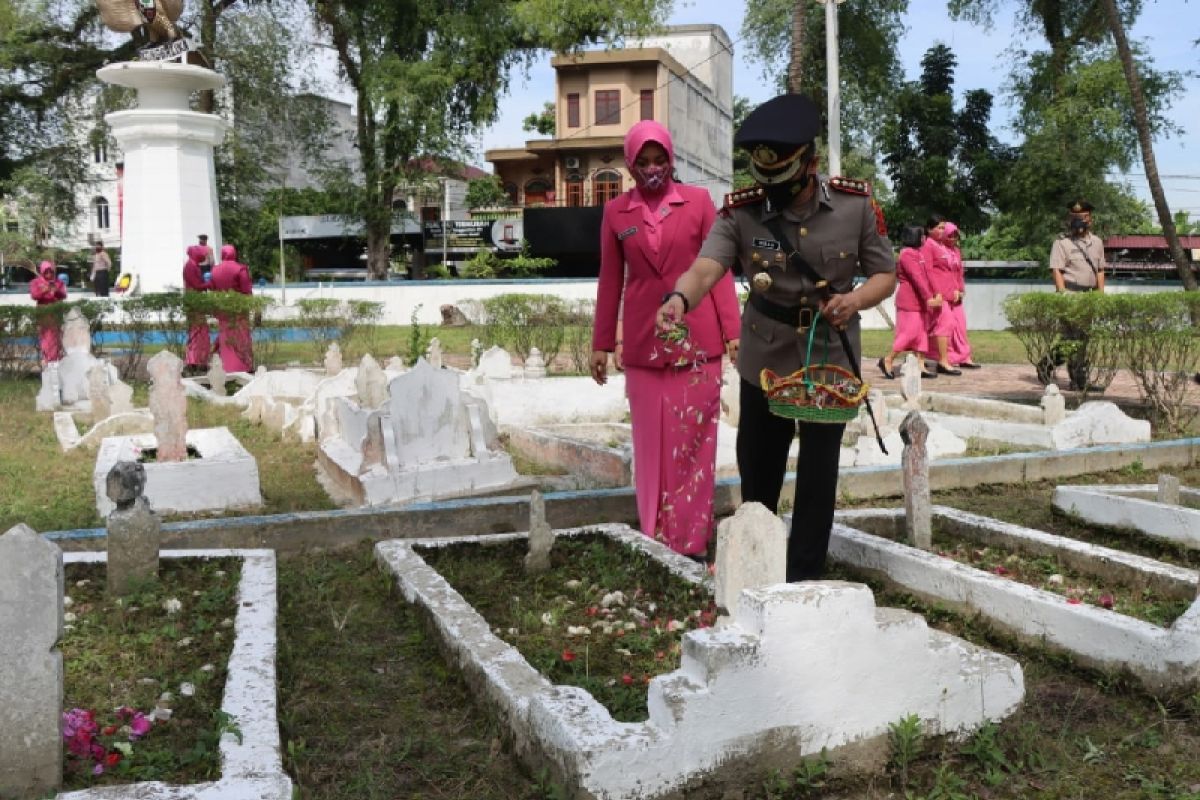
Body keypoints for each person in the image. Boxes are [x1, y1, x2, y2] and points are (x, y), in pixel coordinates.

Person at [655, 93, 896, 581]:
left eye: (782, 183)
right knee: (759, 470)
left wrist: (855, 301)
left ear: (808, 164)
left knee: (817, 474)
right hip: (764, 358)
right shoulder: (742, 212)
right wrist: (679, 299)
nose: (773, 196)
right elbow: (707, 267)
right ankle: (757, 570)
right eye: (765, 184)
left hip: (829, 359)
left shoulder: (855, 206)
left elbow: (885, 274)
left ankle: (805, 577)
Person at [591, 119, 741, 558]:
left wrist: (733, 331)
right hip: (641, 346)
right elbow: (609, 280)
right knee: (651, 446)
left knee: (693, 444)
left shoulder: (698, 203)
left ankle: (690, 540)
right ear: (631, 164)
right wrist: (602, 342)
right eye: (644, 162)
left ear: (671, 160)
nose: (653, 168)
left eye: (660, 160)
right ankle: (655, 537)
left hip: (699, 343)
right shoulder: (616, 212)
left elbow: (720, 268)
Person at [1045, 200, 1106, 389]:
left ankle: (1049, 365)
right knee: (1072, 338)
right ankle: (1077, 379)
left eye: (1083, 217)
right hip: (1070, 294)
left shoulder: (1097, 243)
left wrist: (1100, 295)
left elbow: (1100, 270)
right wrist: (1062, 294)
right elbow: (1056, 270)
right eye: (1075, 218)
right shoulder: (1062, 243)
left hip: (1089, 296)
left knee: (1082, 339)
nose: (1079, 221)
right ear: (1070, 219)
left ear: (1090, 219)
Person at [878, 224, 939, 379]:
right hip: (909, 301)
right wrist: (928, 297)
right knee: (908, 333)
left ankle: (920, 364)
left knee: (921, 334)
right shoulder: (907, 255)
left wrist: (935, 293)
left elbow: (927, 276)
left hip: (920, 301)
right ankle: (888, 360)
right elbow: (917, 278)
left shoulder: (918, 254)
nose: (924, 238)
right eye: (922, 236)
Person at [920, 215, 962, 376]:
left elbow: (951, 271)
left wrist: (956, 289)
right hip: (938, 295)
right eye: (938, 227)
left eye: (943, 227)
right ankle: (943, 361)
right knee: (945, 324)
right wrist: (936, 292)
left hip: (947, 294)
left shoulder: (941, 246)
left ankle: (922, 359)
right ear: (929, 229)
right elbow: (928, 271)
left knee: (937, 326)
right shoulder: (928, 245)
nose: (942, 231)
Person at [209, 243, 254, 372]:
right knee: (240, 337)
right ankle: (242, 367)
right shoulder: (240, 269)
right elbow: (247, 291)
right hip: (239, 310)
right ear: (234, 253)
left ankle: (227, 367)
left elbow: (213, 291)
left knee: (225, 337)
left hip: (222, 310)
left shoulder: (214, 271)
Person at [942, 222, 981, 369]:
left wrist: (961, 289)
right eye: (949, 235)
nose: (952, 239)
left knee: (960, 325)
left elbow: (959, 273)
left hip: (957, 295)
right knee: (947, 326)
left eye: (955, 236)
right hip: (944, 294)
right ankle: (948, 357)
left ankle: (965, 357)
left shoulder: (956, 251)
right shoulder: (939, 250)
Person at [29, 260, 67, 364]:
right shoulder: (36, 282)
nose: (49, 274)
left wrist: (56, 290)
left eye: (51, 272)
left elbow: (64, 295)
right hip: (44, 313)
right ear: (42, 272)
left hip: (56, 312)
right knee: (46, 336)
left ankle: (56, 359)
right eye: (46, 272)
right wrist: (44, 290)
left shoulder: (58, 282)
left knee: (57, 336)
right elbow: (34, 295)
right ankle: (48, 358)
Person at [182, 244, 212, 374]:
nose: (204, 257)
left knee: (200, 331)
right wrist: (210, 283)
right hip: (194, 304)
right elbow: (196, 285)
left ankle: (199, 359)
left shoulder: (193, 265)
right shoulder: (191, 266)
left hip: (195, 302)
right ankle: (194, 360)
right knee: (197, 331)